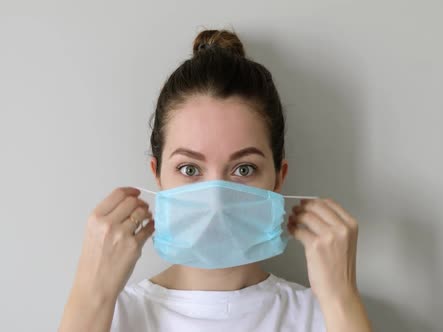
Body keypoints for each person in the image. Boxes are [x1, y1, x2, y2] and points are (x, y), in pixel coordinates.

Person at [58, 29, 371, 332]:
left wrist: (341, 299)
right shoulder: (107, 316)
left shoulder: (326, 317)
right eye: (190, 169)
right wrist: (90, 295)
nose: (217, 201)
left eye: (244, 169)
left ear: (278, 179)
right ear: (157, 174)